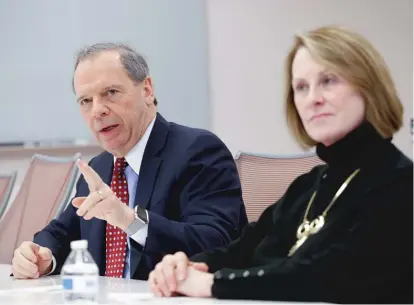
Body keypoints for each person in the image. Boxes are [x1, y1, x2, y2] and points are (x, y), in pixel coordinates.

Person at [148, 25, 413, 303]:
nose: (313, 99)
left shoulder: (400, 183)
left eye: (329, 80)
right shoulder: (308, 186)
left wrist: (211, 284)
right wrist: (186, 267)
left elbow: (320, 277)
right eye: (301, 87)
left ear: (368, 86)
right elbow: (241, 250)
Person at [11, 43, 248, 280]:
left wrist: (129, 220)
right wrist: (41, 256)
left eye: (111, 92)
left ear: (147, 90)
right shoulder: (100, 167)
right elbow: (62, 233)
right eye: (86, 101)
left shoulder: (198, 151)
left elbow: (216, 243)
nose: (97, 111)